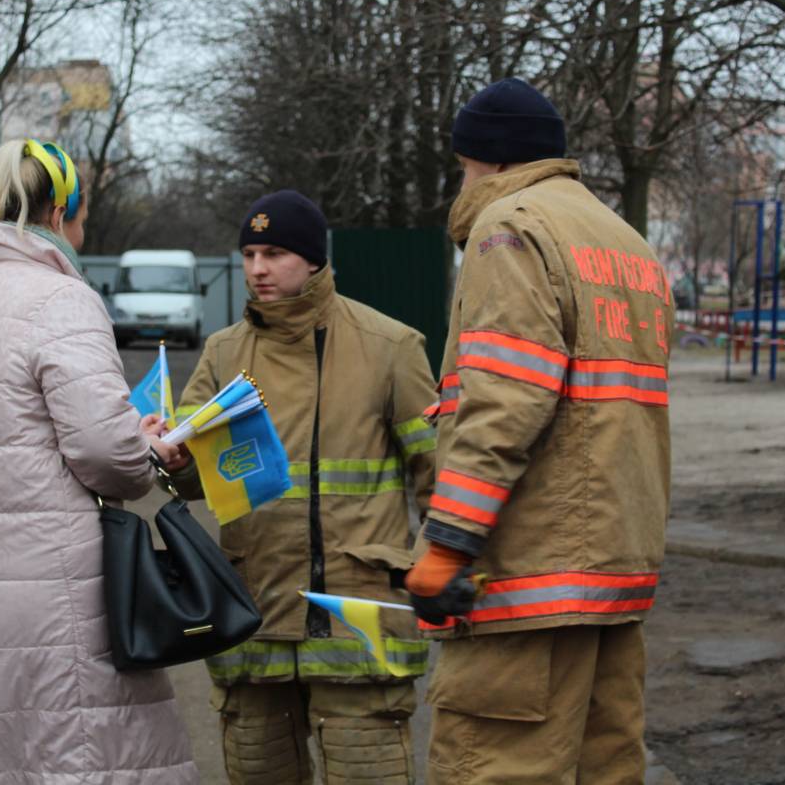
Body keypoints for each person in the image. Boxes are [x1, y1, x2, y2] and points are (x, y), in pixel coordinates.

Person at [0, 138, 199, 785]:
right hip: (48, 595)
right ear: (63, 211)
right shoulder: (61, 300)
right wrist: (146, 445)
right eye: (83, 214)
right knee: (76, 756)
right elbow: (108, 456)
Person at [404, 78, 672, 784]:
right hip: (616, 575)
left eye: (462, 165)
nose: (461, 180)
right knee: (604, 768)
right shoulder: (627, 245)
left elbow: (503, 404)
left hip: (527, 580)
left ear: (487, 159)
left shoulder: (510, 230)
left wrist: (446, 543)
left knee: (492, 767)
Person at [172, 189, 439, 785]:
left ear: (314, 259)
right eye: (249, 253)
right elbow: (191, 481)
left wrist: (442, 568)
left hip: (356, 621)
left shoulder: (390, 348)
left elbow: (439, 476)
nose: (258, 269)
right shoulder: (223, 354)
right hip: (254, 617)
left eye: (274, 252)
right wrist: (168, 455)